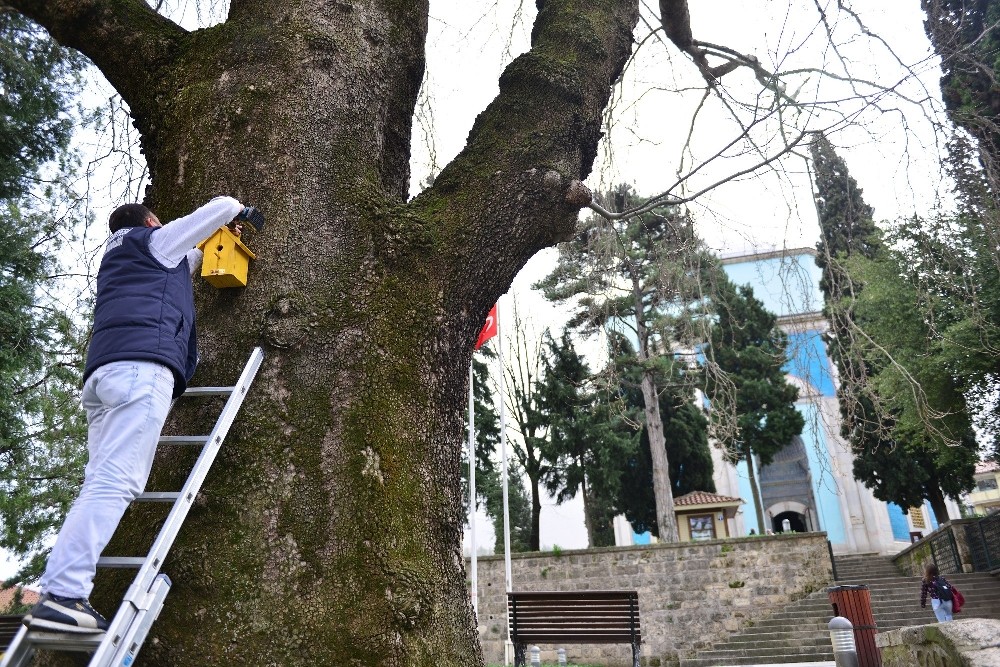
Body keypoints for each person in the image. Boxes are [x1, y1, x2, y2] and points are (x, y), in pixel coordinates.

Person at [23, 196, 261, 634]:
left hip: (103, 376)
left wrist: (213, 241)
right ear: (152, 222)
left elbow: (185, 262)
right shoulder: (153, 241)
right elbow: (222, 205)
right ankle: (62, 594)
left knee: (100, 481)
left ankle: (61, 589)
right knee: (115, 482)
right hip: (141, 370)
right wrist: (240, 212)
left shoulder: (120, 260)